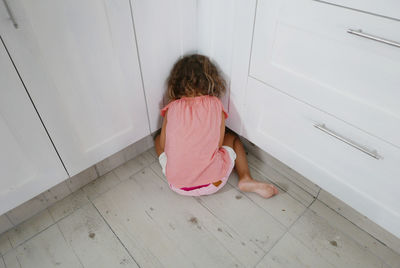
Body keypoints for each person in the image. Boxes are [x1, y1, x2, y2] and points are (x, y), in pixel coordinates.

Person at [154, 54, 278, 198]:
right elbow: (217, 144)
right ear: (211, 80)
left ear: (176, 83)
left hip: (176, 185)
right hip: (214, 183)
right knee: (232, 138)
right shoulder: (215, 104)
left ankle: (180, 167)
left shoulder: (172, 108)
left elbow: (163, 144)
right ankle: (246, 178)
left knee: (157, 140)